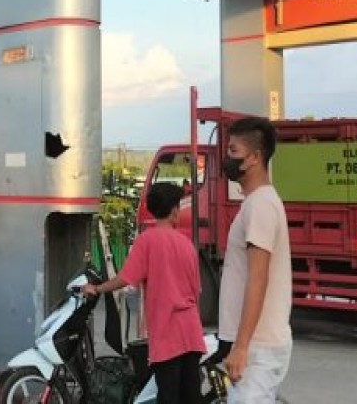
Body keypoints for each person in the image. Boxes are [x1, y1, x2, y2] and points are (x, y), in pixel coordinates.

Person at [84, 182, 204, 404]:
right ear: (175, 210)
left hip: (167, 336)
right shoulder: (187, 244)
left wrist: (97, 288)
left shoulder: (146, 241)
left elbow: (125, 279)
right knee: (191, 397)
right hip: (191, 333)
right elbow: (196, 291)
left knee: (168, 397)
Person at [218, 117, 292, 403]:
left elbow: (257, 277)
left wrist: (242, 346)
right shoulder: (256, 202)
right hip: (255, 345)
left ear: (255, 158)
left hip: (258, 347)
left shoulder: (260, 205)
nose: (228, 158)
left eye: (233, 151)